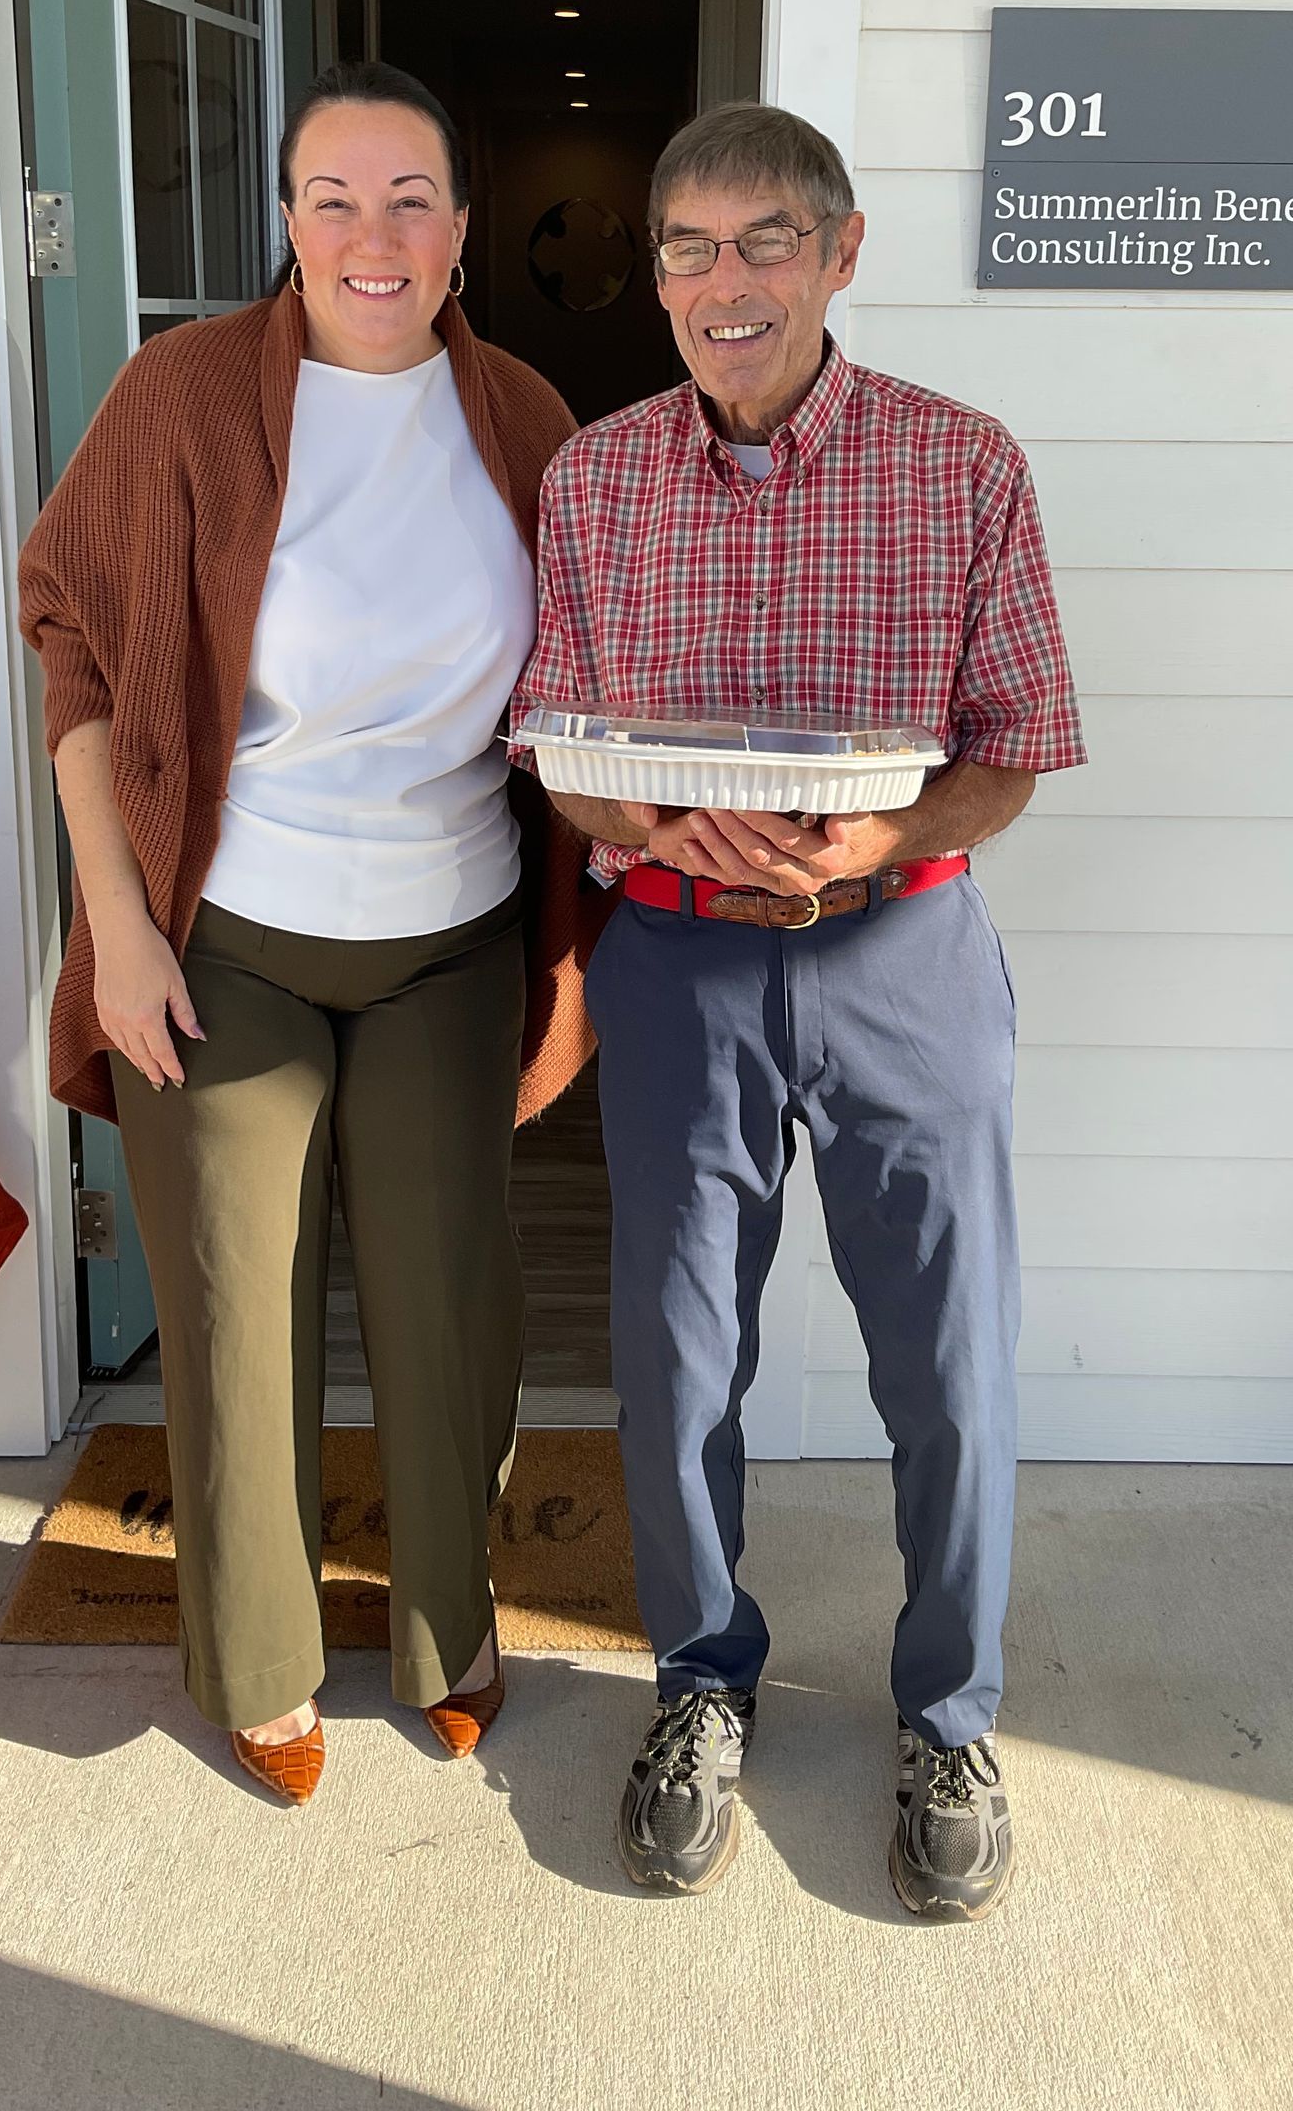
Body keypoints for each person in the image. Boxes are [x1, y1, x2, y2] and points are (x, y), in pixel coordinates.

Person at [512, 102, 1084, 1918]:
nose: (723, 281)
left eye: (766, 240)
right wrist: (639, 811)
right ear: (656, 278)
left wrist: (884, 828)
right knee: (680, 1352)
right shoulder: (593, 482)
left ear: (842, 252)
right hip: (677, 963)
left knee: (950, 1357)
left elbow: (1018, 751)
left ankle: (951, 1709)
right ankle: (700, 1677)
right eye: (687, 249)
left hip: (902, 948)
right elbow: (556, 751)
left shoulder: (961, 464)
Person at [20, 61, 601, 1804]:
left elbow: (586, 675)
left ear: (461, 232)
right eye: (334, 200)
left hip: (448, 934)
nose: (373, 235)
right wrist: (118, 926)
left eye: (409, 199)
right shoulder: (185, 395)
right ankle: (257, 1660)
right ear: (286, 223)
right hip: (231, 939)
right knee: (232, 1306)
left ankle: (451, 1626)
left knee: (451, 1306)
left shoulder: (525, 420)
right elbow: (77, 645)